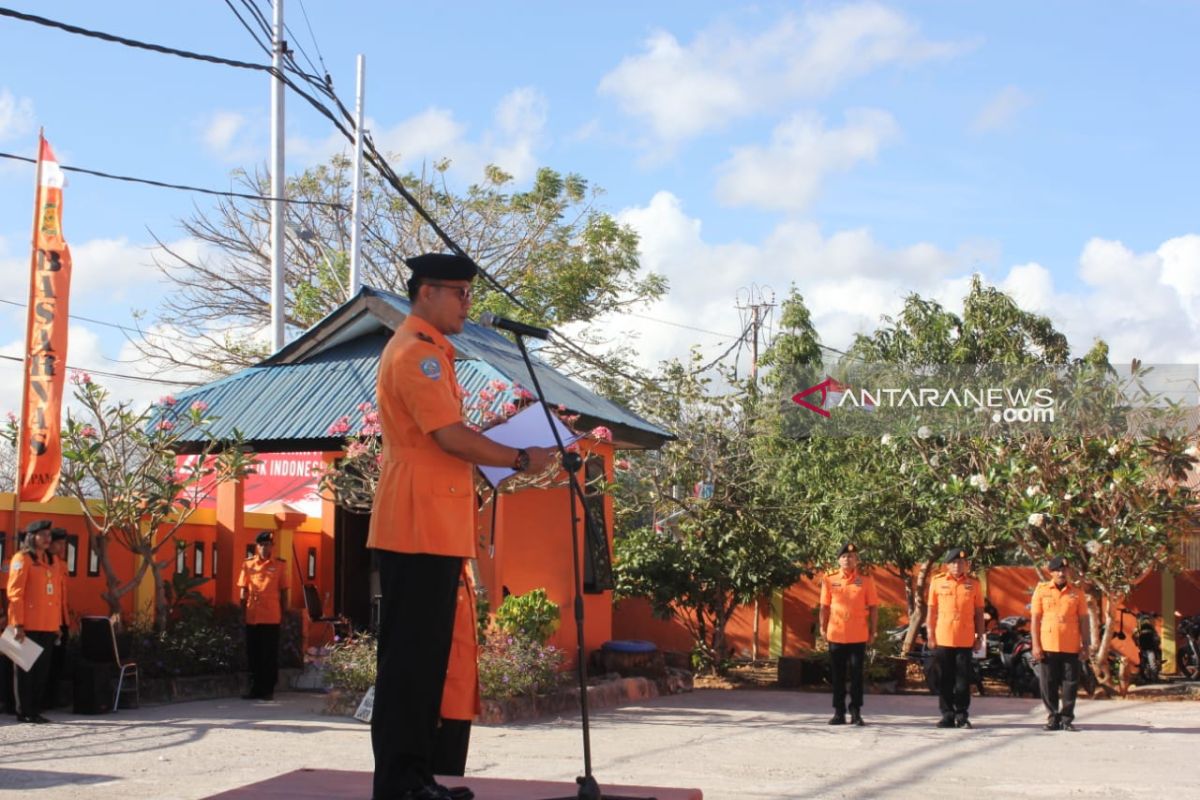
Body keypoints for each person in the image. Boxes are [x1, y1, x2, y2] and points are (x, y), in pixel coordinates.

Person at [369, 252, 554, 800]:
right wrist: (519, 458)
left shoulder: (434, 354)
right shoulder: (416, 354)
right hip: (416, 523)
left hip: (433, 522)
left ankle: (417, 779)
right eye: (460, 293)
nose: (468, 305)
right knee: (409, 662)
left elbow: (450, 435)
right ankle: (401, 782)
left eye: (469, 293)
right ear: (426, 292)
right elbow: (449, 437)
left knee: (426, 661)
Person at [5, 519, 66, 723]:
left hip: (47, 624)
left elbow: (56, 596)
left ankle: (35, 709)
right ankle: (24, 711)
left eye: (49, 535)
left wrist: (57, 624)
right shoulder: (22, 559)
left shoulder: (52, 561)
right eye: (44, 535)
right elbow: (15, 594)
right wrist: (17, 624)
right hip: (28, 624)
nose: (48, 539)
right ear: (33, 537)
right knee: (25, 671)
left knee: (41, 671)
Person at [819, 541, 879, 726]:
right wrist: (822, 626)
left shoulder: (866, 580)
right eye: (844, 557)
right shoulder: (829, 579)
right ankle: (839, 712)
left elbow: (874, 607)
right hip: (836, 634)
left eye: (851, 557)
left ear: (857, 560)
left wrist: (873, 630)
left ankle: (856, 712)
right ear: (839, 560)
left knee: (856, 676)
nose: (847, 559)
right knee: (837, 676)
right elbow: (824, 606)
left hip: (858, 635)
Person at [430, 563, 480, 780]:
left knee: (454, 773)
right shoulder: (440, 572)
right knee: (439, 773)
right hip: (444, 693)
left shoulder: (465, 572)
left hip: (463, 693)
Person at [926, 546, 985, 728]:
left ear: (966, 565)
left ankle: (962, 715)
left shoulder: (974, 584)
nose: (958, 566)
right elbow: (931, 611)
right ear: (947, 565)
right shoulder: (937, 582)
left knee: (963, 680)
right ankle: (947, 715)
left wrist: (979, 637)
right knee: (945, 678)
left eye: (961, 562)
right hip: (943, 637)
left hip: (965, 638)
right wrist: (930, 634)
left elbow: (979, 613)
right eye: (954, 562)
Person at [1031, 555, 1091, 732]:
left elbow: (1084, 620)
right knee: (1048, 683)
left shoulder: (1077, 593)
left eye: (1064, 569)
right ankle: (1053, 717)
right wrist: (1035, 645)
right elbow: (1035, 619)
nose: (1061, 573)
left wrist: (1085, 645)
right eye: (1057, 570)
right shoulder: (1041, 591)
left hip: (1070, 645)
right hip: (1048, 645)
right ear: (1051, 572)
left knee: (1070, 684)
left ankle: (1066, 719)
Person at [237, 531, 289, 701]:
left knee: (269, 655)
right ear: (256, 546)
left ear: (272, 547)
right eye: (261, 545)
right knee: (253, 654)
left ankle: (268, 689)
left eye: (267, 544)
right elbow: (243, 590)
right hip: (252, 616)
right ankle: (255, 688)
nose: (264, 548)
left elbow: (284, 591)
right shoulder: (248, 564)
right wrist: (241, 610)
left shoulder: (280, 565)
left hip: (271, 617)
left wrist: (285, 613)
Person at [42, 528, 72, 709]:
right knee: (44, 662)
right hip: (46, 621)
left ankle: (52, 698)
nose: (62, 547)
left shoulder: (60, 564)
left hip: (62, 618)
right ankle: (41, 698)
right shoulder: (41, 563)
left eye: (64, 544)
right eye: (59, 543)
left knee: (58, 662)